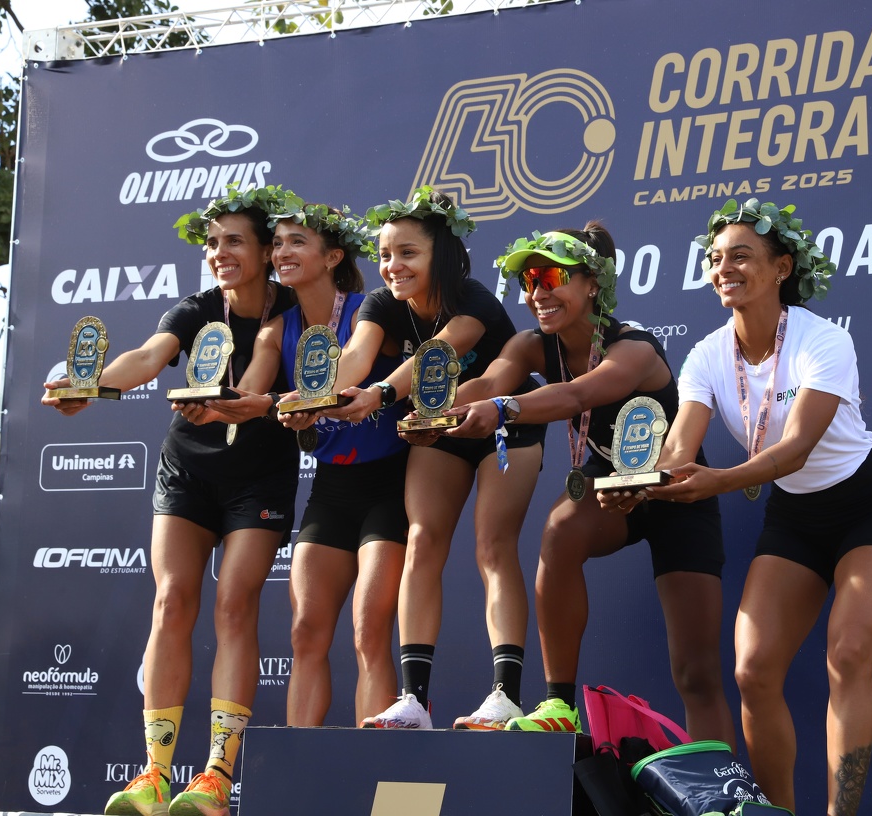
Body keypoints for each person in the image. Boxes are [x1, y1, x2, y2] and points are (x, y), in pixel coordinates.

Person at [639, 198, 872, 816]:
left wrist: (716, 481)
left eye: (741, 256)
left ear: (781, 268)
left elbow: (794, 450)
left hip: (869, 509)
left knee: (848, 655)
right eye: (715, 259)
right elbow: (680, 446)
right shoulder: (705, 355)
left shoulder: (825, 339)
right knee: (753, 671)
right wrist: (648, 480)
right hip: (795, 518)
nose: (724, 268)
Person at [43, 187, 298, 816]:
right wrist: (90, 386)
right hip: (188, 468)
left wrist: (231, 402)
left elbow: (264, 367)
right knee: (171, 600)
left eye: (233, 241)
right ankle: (156, 774)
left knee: (234, 605)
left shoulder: (293, 306)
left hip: (259, 477)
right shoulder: (197, 308)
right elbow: (148, 357)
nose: (218, 253)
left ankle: (216, 776)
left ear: (267, 250)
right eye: (212, 243)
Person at [443, 223, 734, 744]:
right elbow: (486, 383)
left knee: (696, 673)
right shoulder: (531, 345)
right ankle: (559, 704)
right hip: (607, 483)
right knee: (558, 532)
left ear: (593, 283)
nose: (538, 292)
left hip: (674, 490)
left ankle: (718, 782)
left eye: (552, 277)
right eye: (529, 280)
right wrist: (429, 410)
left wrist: (504, 408)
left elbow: (578, 395)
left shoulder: (635, 348)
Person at [321, 186, 546, 730]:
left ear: (440, 255)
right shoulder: (381, 304)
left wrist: (380, 394)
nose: (392, 266)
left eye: (408, 253)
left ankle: (505, 696)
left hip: (503, 421)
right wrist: (320, 396)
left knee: (493, 546)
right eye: (384, 254)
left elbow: (435, 358)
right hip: (436, 426)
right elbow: (356, 355)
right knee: (421, 541)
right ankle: (414, 702)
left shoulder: (475, 300)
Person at [201, 192, 409, 728]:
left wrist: (300, 402)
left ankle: (375, 763)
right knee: (306, 632)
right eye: (277, 243)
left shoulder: (370, 310)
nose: (282, 252)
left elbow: (360, 364)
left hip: (390, 485)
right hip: (332, 488)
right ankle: (300, 760)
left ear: (333, 256)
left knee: (369, 630)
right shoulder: (279, 327)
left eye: (298, 241)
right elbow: (254, 388)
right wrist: (225, 403)